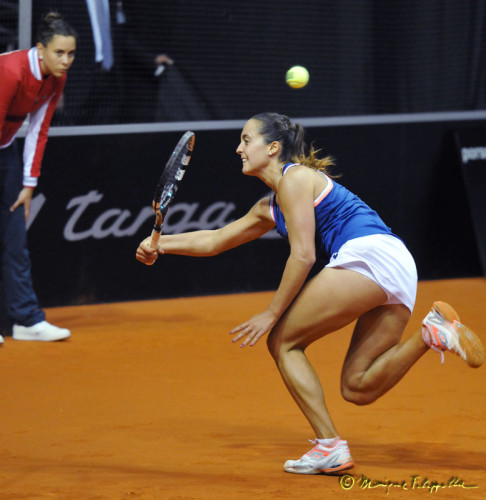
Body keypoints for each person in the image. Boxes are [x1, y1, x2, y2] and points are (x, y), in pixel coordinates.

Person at [135, 112, 484, 474]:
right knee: (357, 387)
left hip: (367, 255)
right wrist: (160, 244)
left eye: (245, 139)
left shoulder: (296, 179)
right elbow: (214, 239)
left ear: (272, 148)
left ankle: (329, 446)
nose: (238, 148)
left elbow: (304, 255)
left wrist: (271, 314)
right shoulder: (270, 205)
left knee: (282, 341)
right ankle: (432, 332)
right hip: (397, 265)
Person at [0, 12, 76, 344]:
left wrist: (28, 184)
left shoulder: (56, 79)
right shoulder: (9, 71)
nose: (66, 60)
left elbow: (37, 131)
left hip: (6, 153)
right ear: (40, 48)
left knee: (15, 240)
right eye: (59, 53)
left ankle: (26, 319)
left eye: (71, 54)